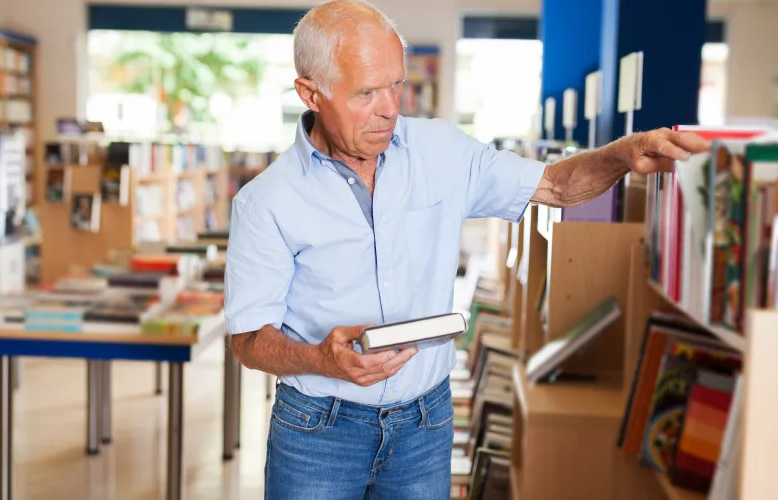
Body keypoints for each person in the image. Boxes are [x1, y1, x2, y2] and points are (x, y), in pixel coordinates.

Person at [223, 1, 710, 498]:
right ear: (311, 93)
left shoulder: (442, 151)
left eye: (396, 84)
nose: (390, 107)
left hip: (424, 426)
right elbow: (248, 340)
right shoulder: (265, 203)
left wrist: (623, 154)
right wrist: (320, 358)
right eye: (367, 93)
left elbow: (556, 187)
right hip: (318, 433)